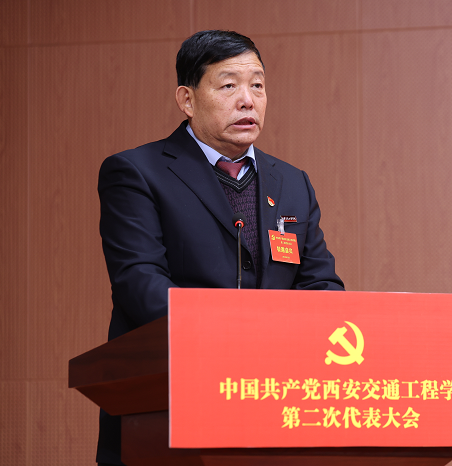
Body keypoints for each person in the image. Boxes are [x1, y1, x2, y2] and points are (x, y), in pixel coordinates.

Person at [95, 30, 344, 465]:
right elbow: (140, 284)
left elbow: (321, 285)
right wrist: (237, 341)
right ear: (187, 100)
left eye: (258, 85)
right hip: (169, 404)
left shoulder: (292, 183)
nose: (248, 100)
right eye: (229, 85)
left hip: (274, 406)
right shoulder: (137, 172)